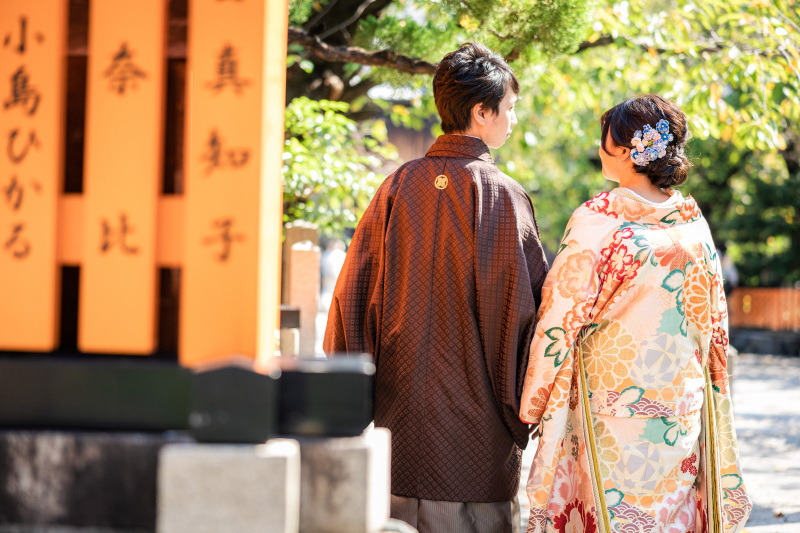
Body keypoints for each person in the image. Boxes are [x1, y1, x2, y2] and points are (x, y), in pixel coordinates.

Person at [324, 42, 548, 533]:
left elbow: (351, 298)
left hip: (398, 421)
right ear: (481, 112)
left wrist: (359, 397)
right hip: (478, 431)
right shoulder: (504, 196)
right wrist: (525, 409)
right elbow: (533, 317)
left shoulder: (395, 187)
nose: (512, 119)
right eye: (508, 108)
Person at [519, 95, 751, 533]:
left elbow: (559, 316)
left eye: (606, 137)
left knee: (616, 516)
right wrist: (714, 389)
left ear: (627, 151)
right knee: (674, 518)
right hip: (681, 403)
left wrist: (533, 400)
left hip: (611, 405)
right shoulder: (693, 225)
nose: (599, 144)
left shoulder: (599, 221)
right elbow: (714, 323)